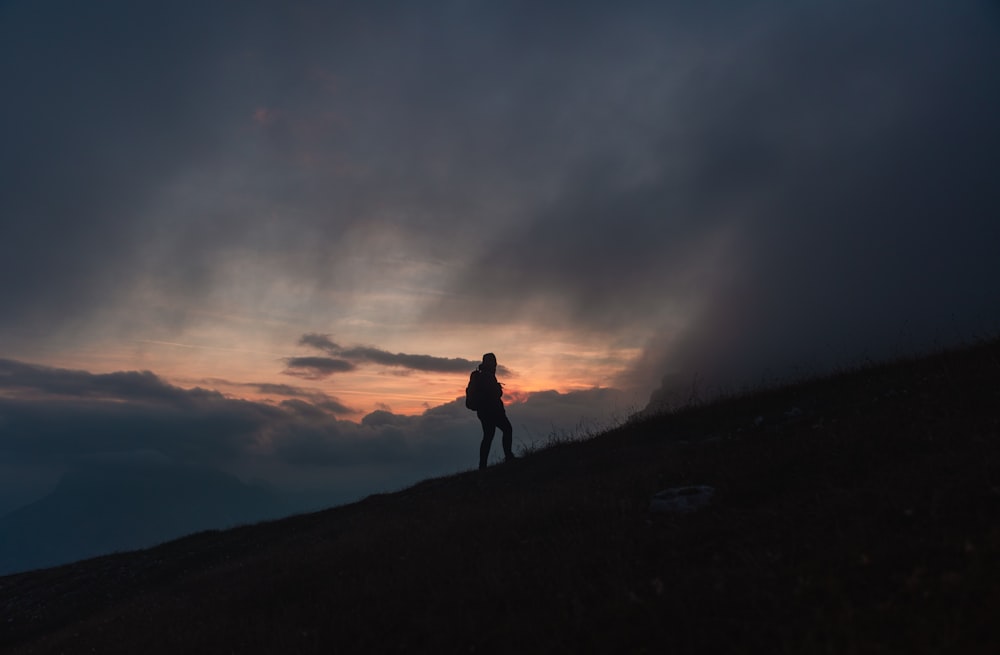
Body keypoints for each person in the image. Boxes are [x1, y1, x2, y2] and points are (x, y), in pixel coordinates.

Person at [472, 352, 515, 470]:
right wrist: (498, 390)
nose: (495, 364)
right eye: (493, 361)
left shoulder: (480, 375)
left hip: (483, 412)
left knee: (488, 437)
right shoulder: (488, 376)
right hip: (493, 411)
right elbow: (494, 394)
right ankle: (508, 456)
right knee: (507, 429)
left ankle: (482, 466)